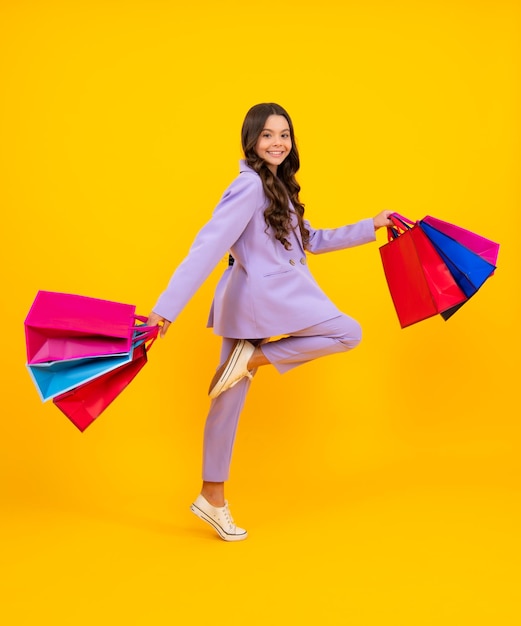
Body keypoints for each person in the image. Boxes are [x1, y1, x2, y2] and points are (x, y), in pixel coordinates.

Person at [147, 103, 392, 541]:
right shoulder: (248, 187)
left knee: (226, 403)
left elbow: (311, 240)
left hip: (256, 299)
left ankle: (212, 496)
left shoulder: (276, 185)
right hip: (266, 297)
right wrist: (166, 307)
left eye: (284, 134)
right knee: (345, 332)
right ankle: (253, 361)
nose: (277, 142)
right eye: (267, 135)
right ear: (251, 141)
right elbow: (207, 246)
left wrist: (369, 226)